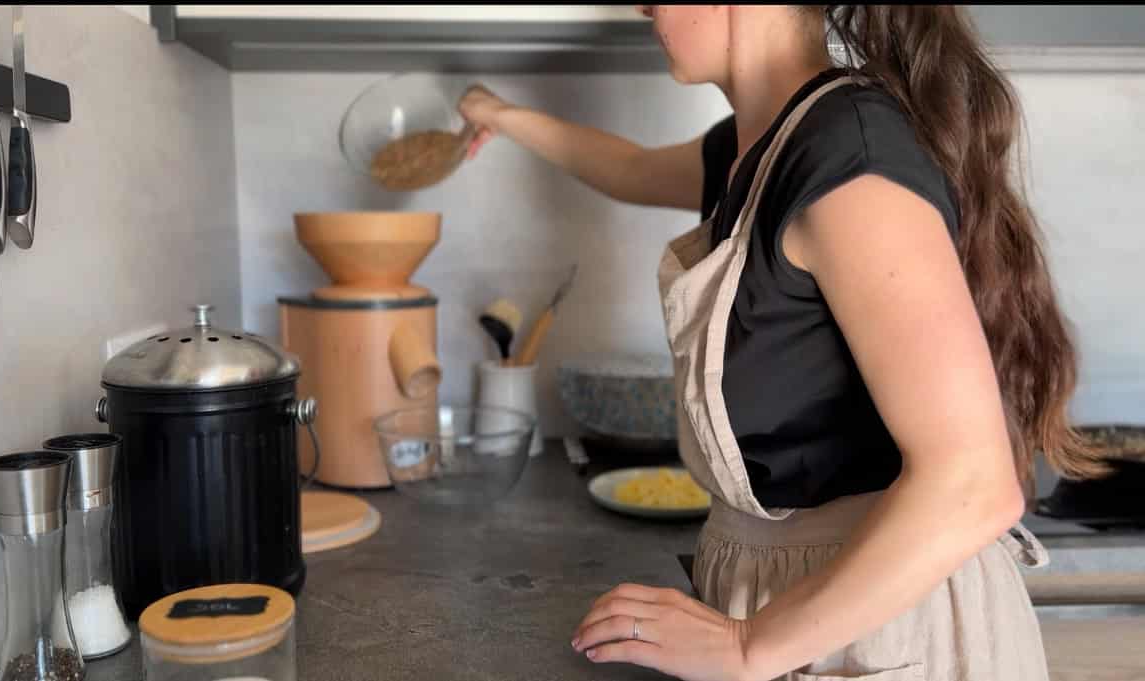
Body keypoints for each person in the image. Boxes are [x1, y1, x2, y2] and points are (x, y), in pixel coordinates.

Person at [458, 5, 1108, 681]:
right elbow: (628, 168)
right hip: (801, 612)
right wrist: (501, 115)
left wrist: (747, 646)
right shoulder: (765, 147)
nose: (642, 6)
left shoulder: (848, 155)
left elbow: (972, 481)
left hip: (885, 629)